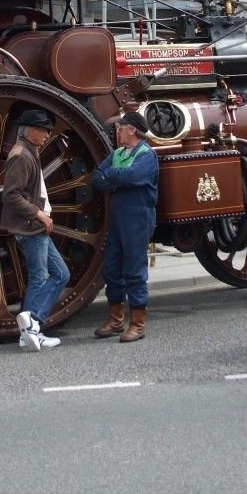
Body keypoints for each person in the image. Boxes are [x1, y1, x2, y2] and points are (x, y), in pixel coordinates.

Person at [2, 108, 70, 352]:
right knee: (40, 277)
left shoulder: (29, 151)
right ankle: (31, 330)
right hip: (30, 227)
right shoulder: (21, 155)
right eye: (43, 130)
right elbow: (10, 195)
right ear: (30, 130)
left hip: (35, 227)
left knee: (61, 274)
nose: (47, 135)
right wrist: (38, 213)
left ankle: (31, 325)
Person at [90, 111, 159, 343]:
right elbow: (96, 178)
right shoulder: (118, 153)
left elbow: (133, 176)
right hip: (119, 216)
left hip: (138, 216)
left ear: (132, 130)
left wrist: (112, 177)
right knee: (112, 268)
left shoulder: (147, 154)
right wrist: (117, 177)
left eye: (121, 127)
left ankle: (138, 324)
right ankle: (116, 320)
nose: (117, 130)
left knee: (134, 270)